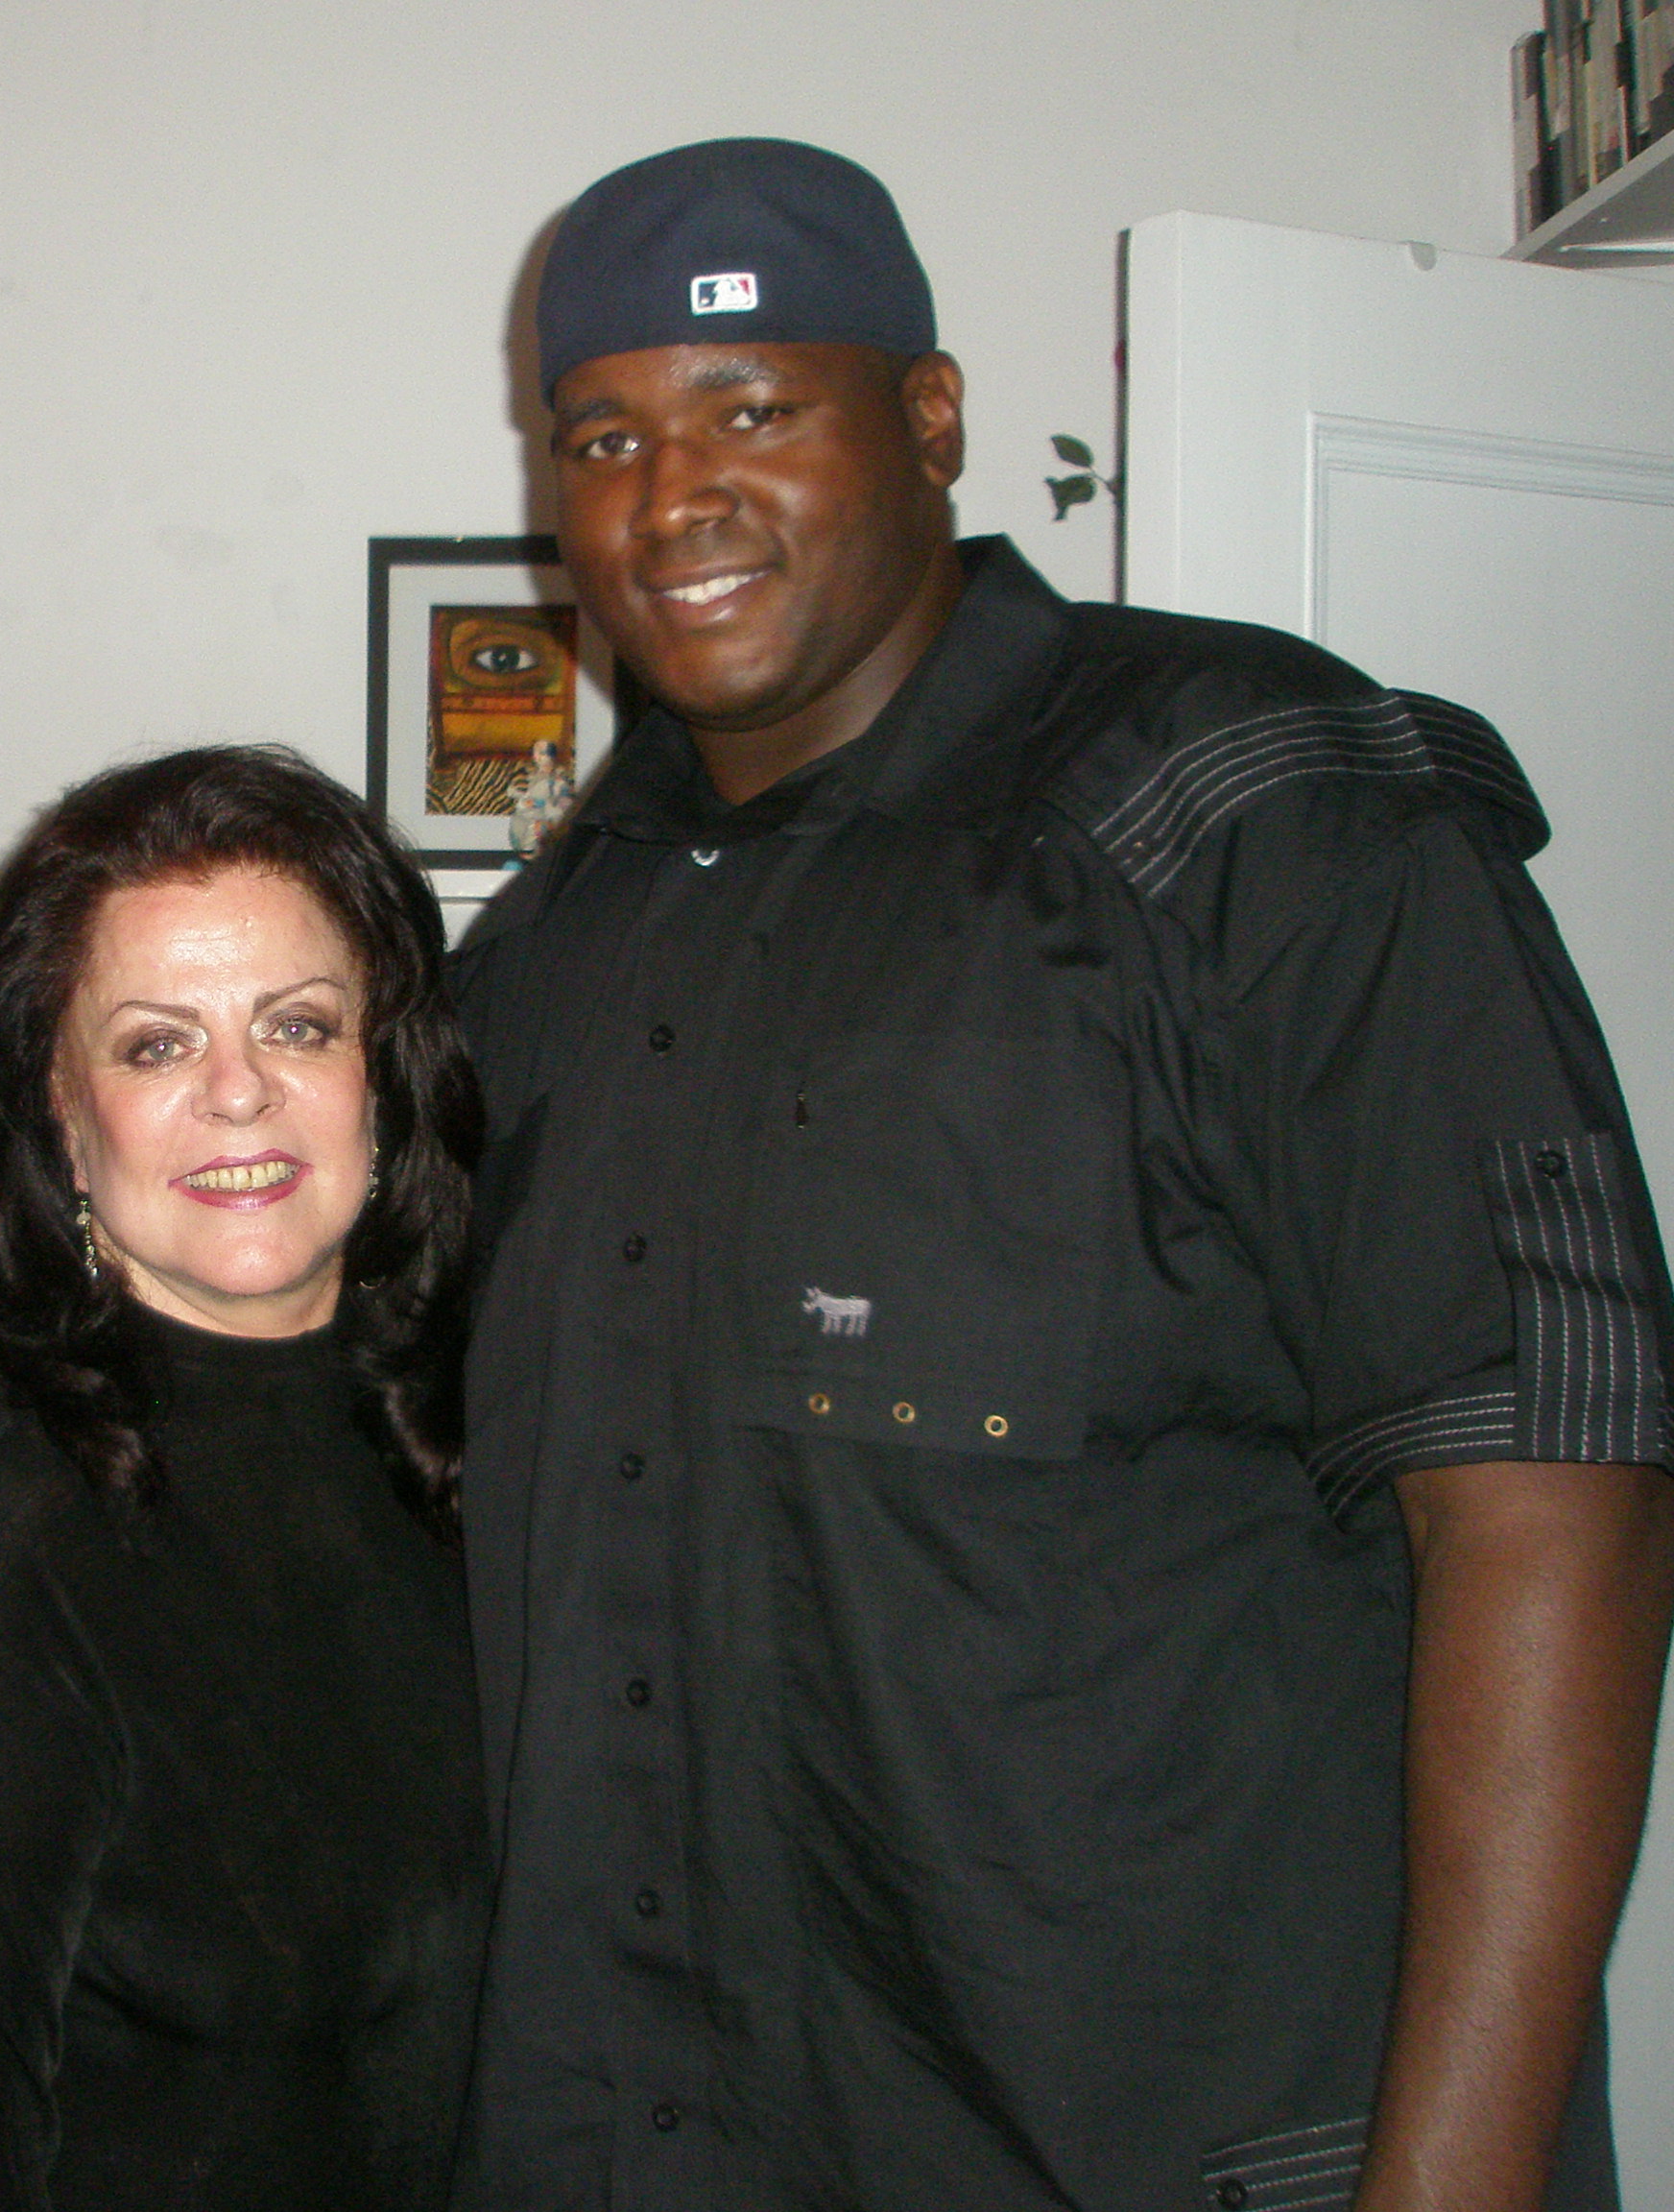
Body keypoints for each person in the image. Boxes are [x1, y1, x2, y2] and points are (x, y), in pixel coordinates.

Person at [449, 139, 1674, 2212]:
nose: (674, 498)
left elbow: (1556, 1503)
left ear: (929, 422)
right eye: (605, 436)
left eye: (755, 409)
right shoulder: (552, 958)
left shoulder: (1251, 817)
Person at [0, 747, 490, 2212]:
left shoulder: (464, 1435)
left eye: (299, 1026)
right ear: (60, 1113)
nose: (240, 1096)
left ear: (383, 1076)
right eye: (155, 1045)